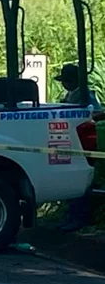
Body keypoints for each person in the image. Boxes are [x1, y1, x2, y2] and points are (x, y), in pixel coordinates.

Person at [55, 63, 100, 233]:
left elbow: (97, 112)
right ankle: (72, 215)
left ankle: (80, 217)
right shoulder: (72, 95)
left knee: (80, 178)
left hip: (81, 141)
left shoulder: (84, 96)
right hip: (70, 140)